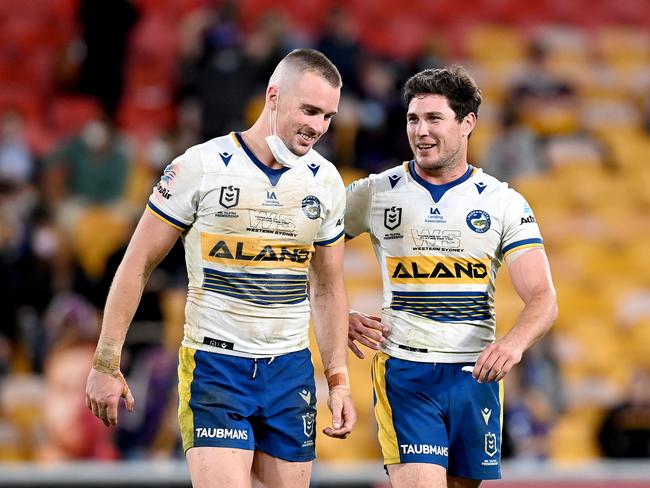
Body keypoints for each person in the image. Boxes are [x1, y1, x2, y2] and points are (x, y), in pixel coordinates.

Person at [85, 49, 356, 488]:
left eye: (328, 115)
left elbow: (327, 287)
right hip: (217, 366)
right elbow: (137, 264)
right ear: (273, 96)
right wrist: (105, 361)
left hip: (290, 371)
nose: (318, 127)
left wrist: (338, 381)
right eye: (309, 110)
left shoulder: (325, 182)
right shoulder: (200, 166)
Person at [345, 66, 558, 487]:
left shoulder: (503, 202)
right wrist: (336, 312)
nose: (420, 131)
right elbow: (304, 251)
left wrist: (513, 344)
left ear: (467, 123)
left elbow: (542, 297)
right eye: (412, 119)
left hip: (473, 376)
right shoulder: (375, 191)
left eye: (433, 119)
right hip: (406, 370)